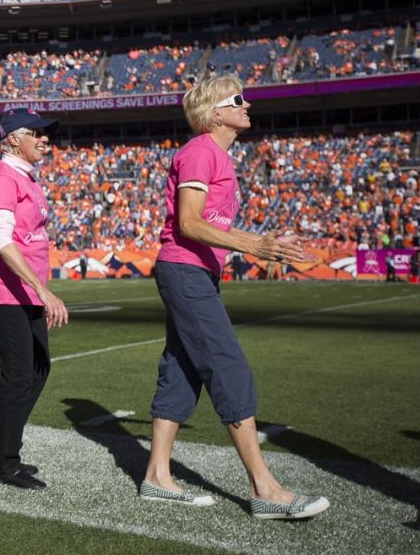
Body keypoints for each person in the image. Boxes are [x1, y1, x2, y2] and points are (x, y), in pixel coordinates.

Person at [140, 76, 330, 520]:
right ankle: (265, 489)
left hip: (195, 271)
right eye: (238, 100)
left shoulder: (216, 155)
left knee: (182, 370)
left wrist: (267, 243)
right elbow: (189, 222)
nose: (248, 105)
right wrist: (256, 244)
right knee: (228, 367)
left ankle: (156, 476)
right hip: (185, 269)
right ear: (216, 114)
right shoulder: (201, 151)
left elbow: (211, 224)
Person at [0, 108, 69, 489]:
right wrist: (43, 289)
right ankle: (5, 463)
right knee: (19, 376)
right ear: (14, 138)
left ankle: (0, 449)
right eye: (38, 132)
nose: (46, 139)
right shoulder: (3, 179)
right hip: (7, 291)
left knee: (37, 369)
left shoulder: (26, 178)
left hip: (25, 291)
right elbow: (1, 241)